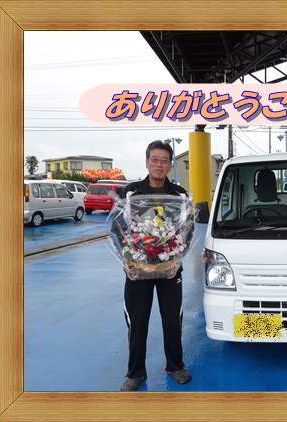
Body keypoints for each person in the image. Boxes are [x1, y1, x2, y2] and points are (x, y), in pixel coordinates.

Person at [119, 140, 193, 392]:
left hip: (170, 269)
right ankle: (135, 372)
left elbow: (188, 229)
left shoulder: (179, 195)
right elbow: (118, 228)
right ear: (147, 162)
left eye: (164, 160)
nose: (159, 164)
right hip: (137, 269)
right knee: (137, 321)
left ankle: (175, 365)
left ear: (170, 164)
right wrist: (126, 260)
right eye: (154, 159)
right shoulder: (130, 192)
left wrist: (178, 259)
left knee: (172, 319)